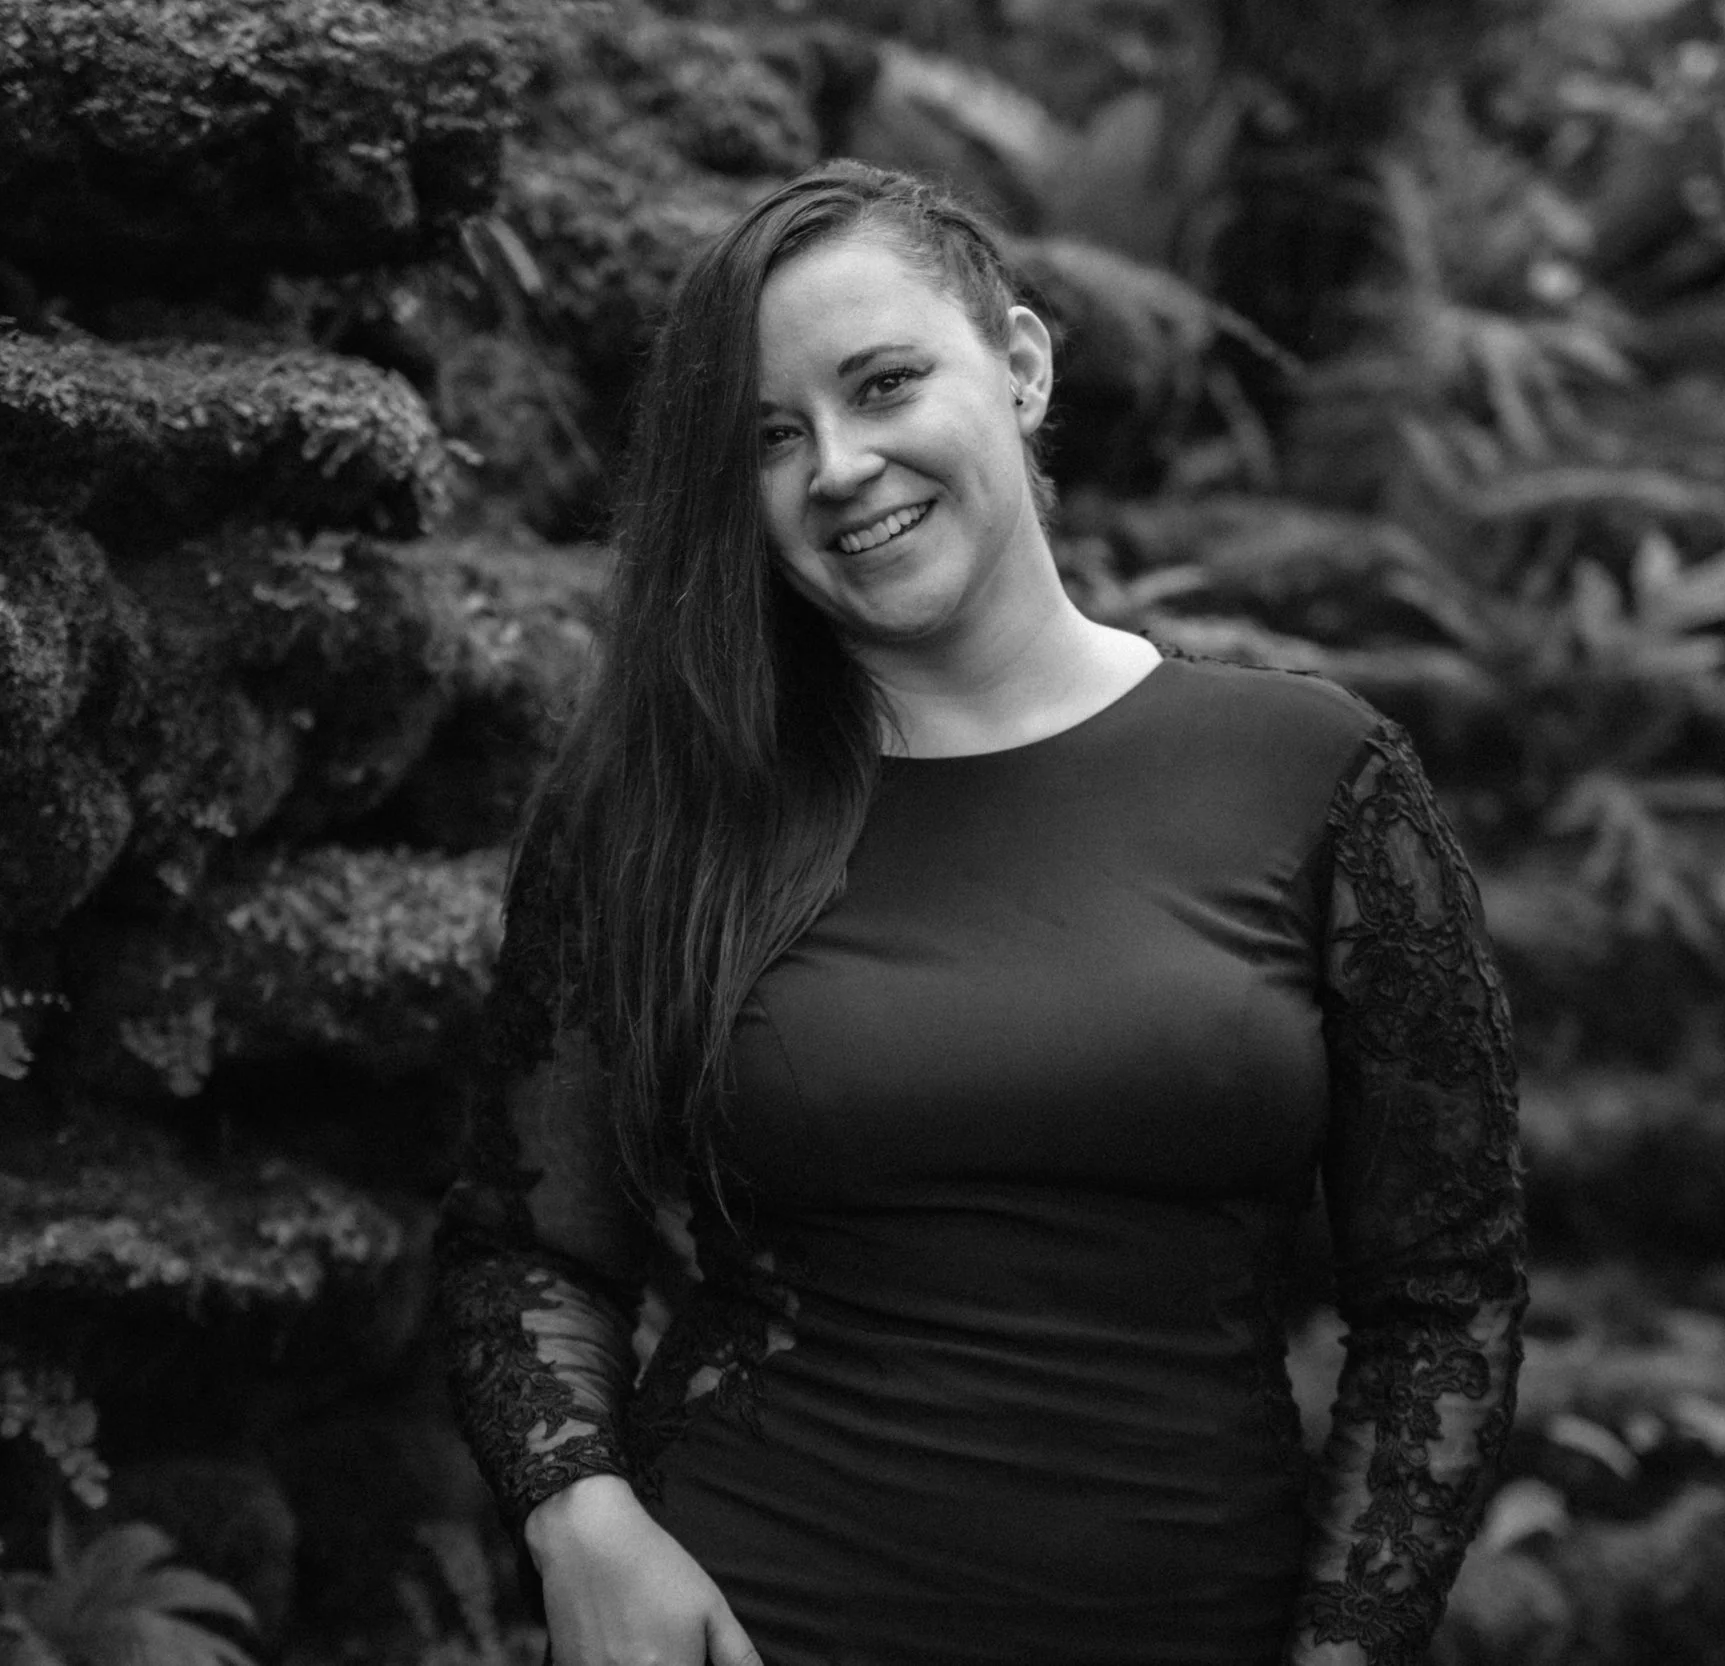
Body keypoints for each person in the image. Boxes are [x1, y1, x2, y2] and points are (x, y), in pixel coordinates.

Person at [434, 159, 1527, 1666]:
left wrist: (1348, 1645)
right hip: (757, 1618)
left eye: (884, 384)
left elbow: (1443, 1299)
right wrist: (581, 1515)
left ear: (1018, 364)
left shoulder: (1315, 776)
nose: (838, 465)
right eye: (769, 437)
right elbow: (526, 1241)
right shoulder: (658, 806)